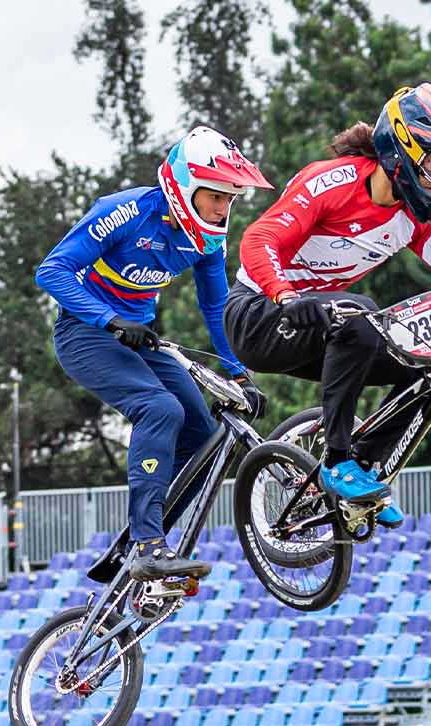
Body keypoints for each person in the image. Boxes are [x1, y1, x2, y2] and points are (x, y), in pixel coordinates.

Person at [223, 84, 431, 520]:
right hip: (261, 315)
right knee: (359, 314)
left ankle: (363, 469)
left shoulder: (415, 216)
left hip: (327, 324)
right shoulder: (331, 183)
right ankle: (337, 461)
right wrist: (285, 295)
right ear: (401, 153)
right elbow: (258, 238)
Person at [35, 126, 272, 580]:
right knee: (160, 409)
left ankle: (142, 540)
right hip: (85, 333)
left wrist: (239, 373)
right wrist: (109, 318)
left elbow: (216, 305)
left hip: (139, 338)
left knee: (204, 439)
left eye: (230, 199)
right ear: (186, 187)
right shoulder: (125, 211)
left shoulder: (210, 237)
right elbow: (52, 271)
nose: (224, 209)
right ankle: (149, 544)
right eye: (216, 196)